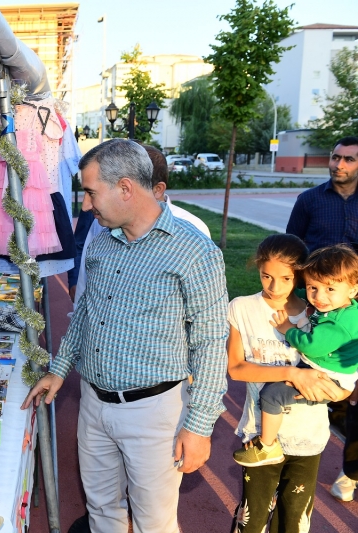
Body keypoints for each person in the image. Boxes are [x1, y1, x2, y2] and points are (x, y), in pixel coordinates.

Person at [21, 139, 229, 533]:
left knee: (154, 523)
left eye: (90, 192)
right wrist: (60, 369)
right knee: (102, 512)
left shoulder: (193, 251)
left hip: (155, 415)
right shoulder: (102, 243)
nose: (85, 205)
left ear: (126, 188)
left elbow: (210, 341)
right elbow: (85, 312)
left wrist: (199, 426)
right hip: (93, 404)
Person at [227, 234, 345, 532]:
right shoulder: (241, 307)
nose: (274, 287)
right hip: (261, 435)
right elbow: (237, 369)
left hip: (308, 437)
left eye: (286, 278)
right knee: (250, 522)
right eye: (266, 276)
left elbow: (341, 369)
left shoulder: (318, 314)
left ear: (301, 276)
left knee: (292, 522)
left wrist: (342, 390)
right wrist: (292, 374)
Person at [234, 244, 358, 467]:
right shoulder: (343, 306)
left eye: (329, 289)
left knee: (271, 395)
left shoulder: (339, 324)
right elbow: (234, 368)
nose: (318, 297)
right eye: (312, 288)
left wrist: (287, 329)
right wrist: (298, 293)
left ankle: (267, 446)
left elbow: (311, 346)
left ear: (352, 290)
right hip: (329, 374)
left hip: (329, 380)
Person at [285, 135, 358, 500]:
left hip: (354, 308)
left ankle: (351, 471)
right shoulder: (309, 200)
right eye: (335, 157)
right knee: (324, 385)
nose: (339, 165)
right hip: (318, 304)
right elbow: (291, 248)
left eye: (349, 159)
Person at [70, 143, 211, 305]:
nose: (86, 205)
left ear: (158, 189)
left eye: (141, 187)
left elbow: (203, 318)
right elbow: (85, 284)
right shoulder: (103, 226)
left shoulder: (194, 234)